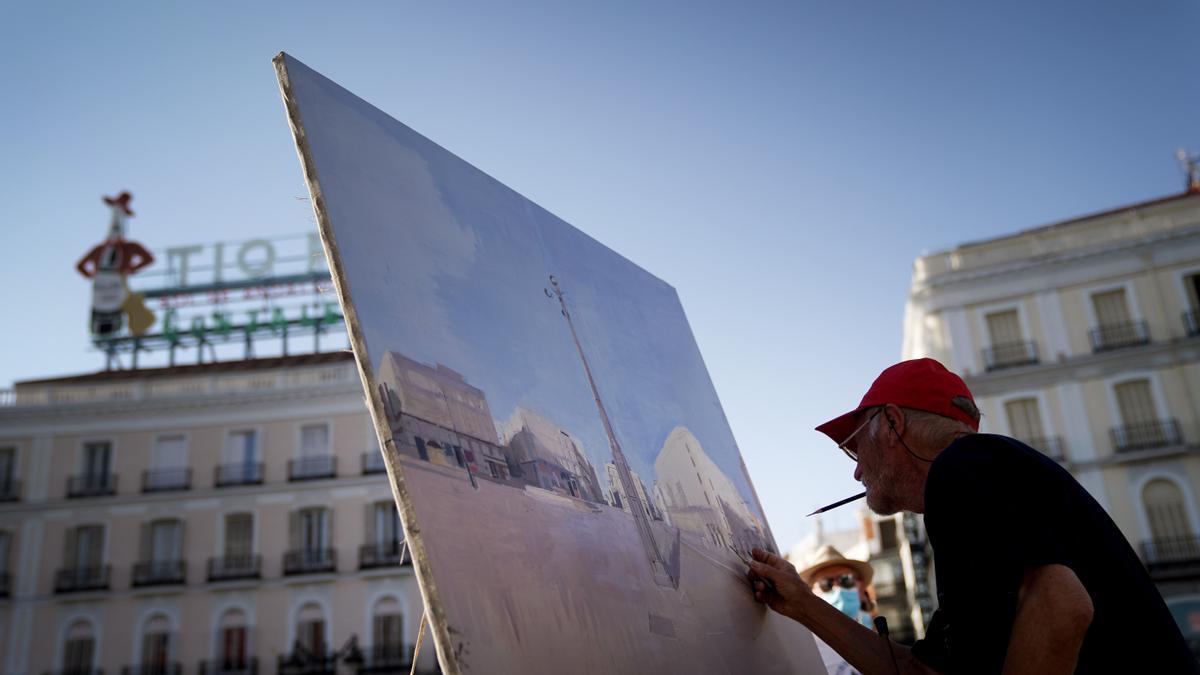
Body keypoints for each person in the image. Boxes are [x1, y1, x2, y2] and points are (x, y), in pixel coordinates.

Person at [746, 358, 1196, 674]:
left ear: (893, 424)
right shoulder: (986, 483)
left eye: (855, 446)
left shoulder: (962, 467)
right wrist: (803, 605)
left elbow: (1062, 602)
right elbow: (922, 672)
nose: (858, 470)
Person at [796, 544, 876, 674]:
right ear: (812, 593)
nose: (838, 588)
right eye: (826, 584)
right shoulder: (801, 647)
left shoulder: (880, 645)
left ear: (861, 588)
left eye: (846, 580)